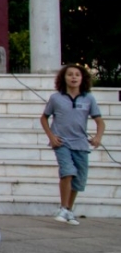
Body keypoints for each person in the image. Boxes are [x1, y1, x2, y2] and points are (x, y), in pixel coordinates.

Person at [41, 64, 105, 225]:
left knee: (78, 179)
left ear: (83, 78)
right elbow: (44, 118)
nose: (74, 77)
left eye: (77, 74)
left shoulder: (88, 98)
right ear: (64, 78)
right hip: (62, 142)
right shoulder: (56, 98)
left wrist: (98, 137)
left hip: (81, 144)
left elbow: (100, 121)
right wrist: (51, 136)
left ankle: (69, 210)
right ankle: (63, 207)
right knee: (67, 172)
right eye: (70, 74)